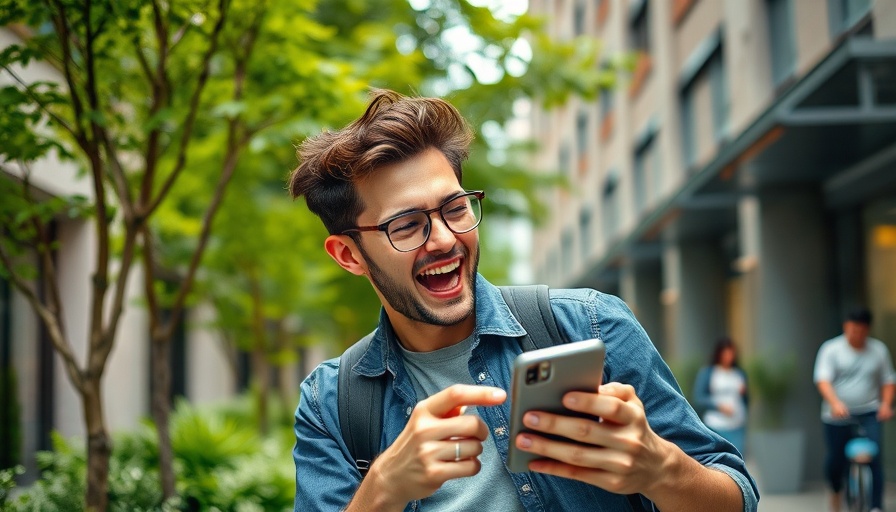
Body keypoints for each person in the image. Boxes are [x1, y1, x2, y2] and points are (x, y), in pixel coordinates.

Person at [288, 88, 758, 512]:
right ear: (350, 255)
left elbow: (738, 497)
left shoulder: (591, 324)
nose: (446, 239)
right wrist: (383, 489)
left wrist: (662, 470)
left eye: (455, 208)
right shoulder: (329, 403)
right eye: (407, 225)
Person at [814, 307, 895, 512]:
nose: (855, 335)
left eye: (860, 330)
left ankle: (875, 505)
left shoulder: (878, 350)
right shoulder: (831, 349)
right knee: (836, 461)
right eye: (852, 330)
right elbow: (823, 380)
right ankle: (836, 493)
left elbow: (888, 380)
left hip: (869, 412)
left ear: (867, 329)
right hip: (837, 415)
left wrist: (886, 404)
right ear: (845, 327)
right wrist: (835, 403)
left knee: (874, 458)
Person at [693, 337, 749, 456]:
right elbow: (699, 397)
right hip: (716, 425)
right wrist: (718, 406)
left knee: (738, 457)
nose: (728, 357)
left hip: (737, 424)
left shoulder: (739, 373)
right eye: (725, 354)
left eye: (731, 354)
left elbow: (746, 399)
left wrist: (743, 393)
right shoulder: (708, 373)